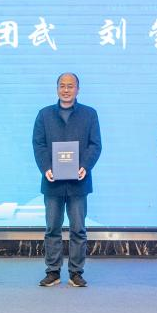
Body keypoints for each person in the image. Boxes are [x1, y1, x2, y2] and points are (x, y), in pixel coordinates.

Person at [32, 72, 103, 288]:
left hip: (79, 182)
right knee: (52, 228)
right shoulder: (44, 115)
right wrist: (46, 168)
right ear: (57, 89)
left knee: (78, 229)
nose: (66, 90)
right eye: (62, 86)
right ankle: (52, 271)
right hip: (52, 181)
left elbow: (95, 144)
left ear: (77, 89)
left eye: (70, 86)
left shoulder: (89, 114)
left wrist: (85, 167)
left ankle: (76, 272)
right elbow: (38, 144)